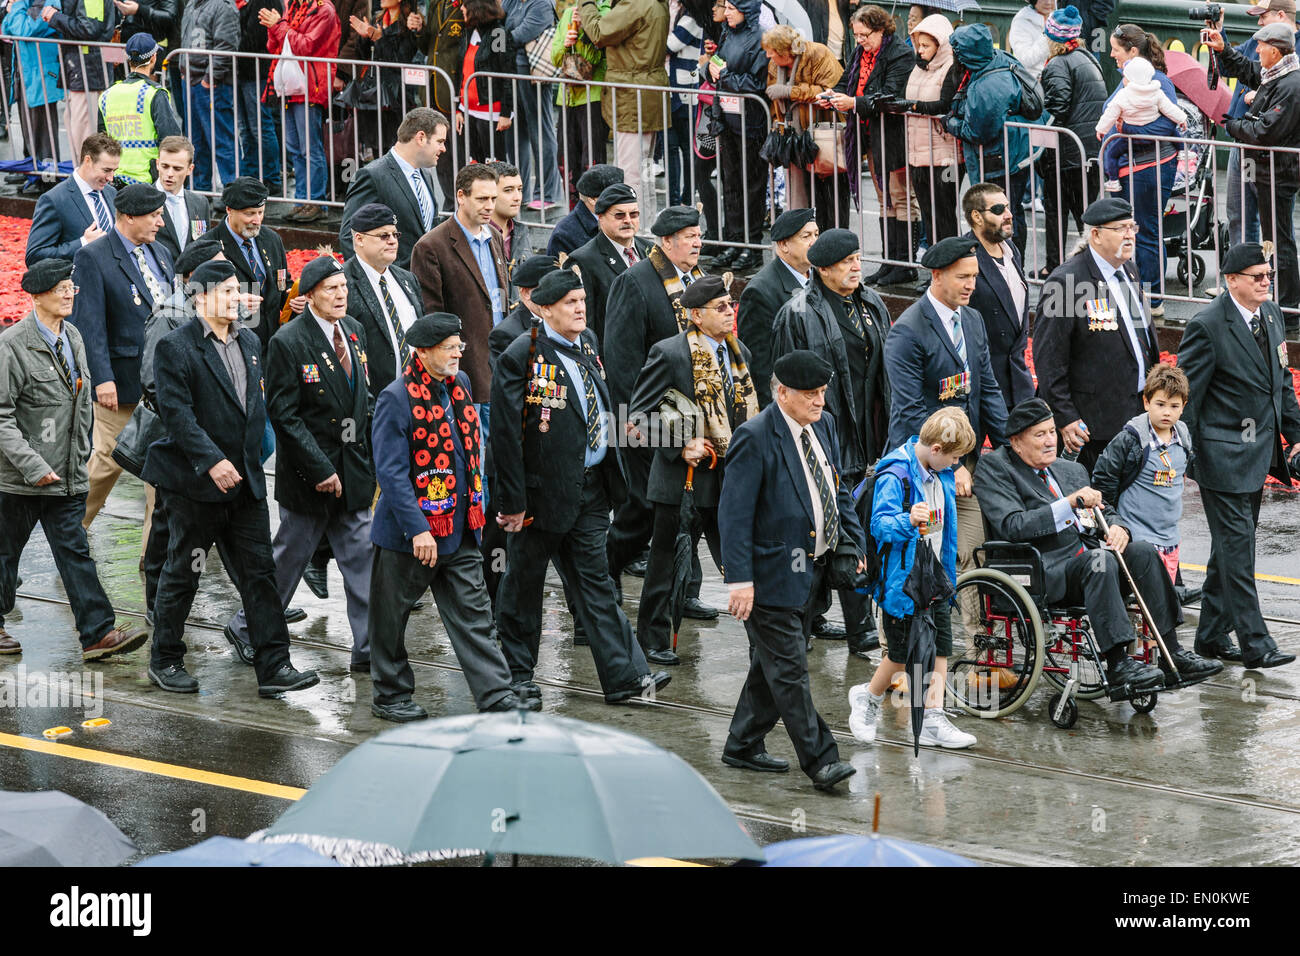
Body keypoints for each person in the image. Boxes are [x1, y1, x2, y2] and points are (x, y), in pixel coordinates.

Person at [491, 267, 673, 704]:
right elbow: (505, 436)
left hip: (590, 490)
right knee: (523, 588)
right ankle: (518, 676)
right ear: (544, 308)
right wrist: (513, 502)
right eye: (569, 303)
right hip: (539, 496)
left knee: (596, 584)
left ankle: (626, 676)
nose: (579, 309)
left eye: (582, 302)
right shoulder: (522, 355)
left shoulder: (587, 343)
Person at [144, 260, 321, 696]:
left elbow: (255, 409)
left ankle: (275, 665)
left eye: (236, 291)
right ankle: (165, 658)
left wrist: (256, 458)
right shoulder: (176, 347)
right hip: (194, 486)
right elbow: (177, 415)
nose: (235, 299)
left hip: (246, 484)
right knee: (184, 572)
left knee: (260, 575)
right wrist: (211, 460)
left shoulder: (251, 342)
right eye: (225, 292)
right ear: (200, 297)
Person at [974, 397, 1223, 688]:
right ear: (1016, 442)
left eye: (1052, 432)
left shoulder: (1069, 470)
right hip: (1041, 569)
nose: (1049, 441)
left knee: (1141, 551)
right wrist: (1068, 504)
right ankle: (1118, 663)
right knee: (1100, 561)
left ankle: (1173, 652)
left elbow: (1105, 509)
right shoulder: (996, 467)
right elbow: (1012, 525)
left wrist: (1119, 528)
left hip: (1085, 565)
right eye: (1039, 435)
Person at [368, 312, 536, 720]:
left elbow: (471, 450)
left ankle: (495, 694)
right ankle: (390, 695)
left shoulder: (458, 385)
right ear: (422, 352)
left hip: (459, 529)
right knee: (391, 618)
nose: (458, 353)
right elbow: (390, 473)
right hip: (412, 536)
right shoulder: (396, 398)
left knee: (475, 615)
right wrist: (418, 529)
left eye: (459, 346)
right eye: (449, 348)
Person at [220, 256, 374, 672]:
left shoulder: (355, 332)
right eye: (331, 289)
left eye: (343, 287)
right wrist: (321, 468)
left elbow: (363, 399)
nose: (341, 295)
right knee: (288, 560)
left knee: (362, 559)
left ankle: (369, 649)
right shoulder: (289, 341)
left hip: (352, 471)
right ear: (309, 295)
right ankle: (248, 627)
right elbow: (284, 415)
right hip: (310, 476)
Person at [719, 349, 861, 792]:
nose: (819, 401)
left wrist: (850, 545)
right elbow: (734, 513)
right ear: (781, 392)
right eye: (809, 394)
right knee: (790, 669)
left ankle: (741, 744)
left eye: (822, 392)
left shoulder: (826, 426)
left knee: (772, 666)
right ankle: (821, 759)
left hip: (812, 572)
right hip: (770, 576)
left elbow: (838, 492)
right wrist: (740, 580)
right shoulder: (755, 436)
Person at [0, 260, 149, 661]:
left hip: (65, 476)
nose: (69, 294)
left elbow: (82, 405)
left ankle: (97, 634)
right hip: (18, 479)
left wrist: (79, 458)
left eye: (71, 287)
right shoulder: (12, 345)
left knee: (75, 552)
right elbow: (1, 417)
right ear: (37, 295)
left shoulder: (74, 337)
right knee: (4, 552)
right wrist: (34, 467)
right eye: (60, 288)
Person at [1178, 242, 1300, 669]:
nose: (1266, 282)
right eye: (1257, 277)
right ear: (1231, 280)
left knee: (1231, 549)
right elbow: (1186, 397)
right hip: (1221, 459)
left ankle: (1211, 635)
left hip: (1258, 453)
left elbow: (1279, 381)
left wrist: (1295, 435)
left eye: (1268, 275)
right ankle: (1256, 642)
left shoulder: (1270, 315)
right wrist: (1181, 452)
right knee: (1238, 551)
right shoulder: (1208, 325)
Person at [629, 274, 760, 664]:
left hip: (729, 480)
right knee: (666, 566)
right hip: (682, 482)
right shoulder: (670, 353)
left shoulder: (741, 355)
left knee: (742, 561)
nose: (729, 312)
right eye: (720, 308)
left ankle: (766, 639)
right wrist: (677, 446)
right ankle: (653, 640)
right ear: (696, 316)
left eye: (730, 305)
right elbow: (635, 418)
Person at [772, 227, 890, 655]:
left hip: (870, 435)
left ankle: (861, 629)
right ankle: (799, 624)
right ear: (822, 269)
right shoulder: (799, 313)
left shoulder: (872, 303)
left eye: (858, 258)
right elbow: (787, 381)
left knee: (859, 534)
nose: (856, 266)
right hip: (825, 436)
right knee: (817, 534)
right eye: (846, 262)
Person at [848, 406, 978, 748]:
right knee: (901, 652)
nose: (956, 465)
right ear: (935, 450)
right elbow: (880, 527)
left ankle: (934, 716)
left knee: (941, 646)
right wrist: (907, 519)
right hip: (902, 581)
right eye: (954, 458)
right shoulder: (895, 475)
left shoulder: (942, 472)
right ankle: (869, 697)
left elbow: (944, 528)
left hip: (934, 574)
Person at [603, 205, 707, 589]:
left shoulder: (699, 279)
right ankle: (604, 570)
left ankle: (684, 590)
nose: (698, 242)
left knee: (690, 510)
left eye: (699, 235)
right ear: (666, 242)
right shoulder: (636, 282)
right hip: (646, 419)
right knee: (645, 509)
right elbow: (622, 359)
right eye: (689, 236)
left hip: (692, 417)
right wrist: (637, 421)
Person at [69, 183, 174, 544]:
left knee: (160, 470)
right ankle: (70, 532)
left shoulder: (161, 252)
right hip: (121, 382)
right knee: (108, 462)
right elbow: (89, 325)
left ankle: (154, 553)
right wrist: (102, 379)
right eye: (154, 215)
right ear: (129, 217)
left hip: (164, 382)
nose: (160, 222)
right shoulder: (94, 257)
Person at [1033, 197, 1159, 471]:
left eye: (1132, 227)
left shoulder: (1129, 271)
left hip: (1135, 415)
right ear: (1096, 234)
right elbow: (1049, 359)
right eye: (1120, 228)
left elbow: (1140, 338)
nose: (1129, 235)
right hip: (1092, 426)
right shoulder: (1067, 282)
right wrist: (1065, 417)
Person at [411, 163, 508, 493]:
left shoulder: (495, 236)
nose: (489, 206)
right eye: (482, 198)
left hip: (500, 371)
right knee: (472, 467)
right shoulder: (431, 246)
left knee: (501, 465)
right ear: (460, 196)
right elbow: (432, 318)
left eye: (493, 199)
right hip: (465, 376)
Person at [1211, 22, 1300, 324]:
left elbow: (1264, 132)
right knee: (1274, 237)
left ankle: (1287, 310)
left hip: (1277, 173)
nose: (1257, 49)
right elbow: (1248, 70)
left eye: (1262, 46)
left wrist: (1234, 125)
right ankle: (1282, 303)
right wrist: (1223, 49)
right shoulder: (1278, 73)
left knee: (1279, 239)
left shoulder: (1290, 85)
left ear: (1275, 51)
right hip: (1268, 170)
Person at [827, 5, 915, 284]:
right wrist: (832, 95)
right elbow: (845, 82)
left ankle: (905, 263)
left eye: (865, 35)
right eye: (857, 35)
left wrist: (854, 103)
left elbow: (889, 94)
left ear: (880, 30)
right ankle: (889, 261)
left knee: (900, 197)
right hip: (868, 134)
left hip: (893, 133)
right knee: (883, 198)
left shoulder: (899, 53)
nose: (860, 40)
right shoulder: (860, 52)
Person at [1092, 363, 1194, 586]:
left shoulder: (1183, 437)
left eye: (1174, 406)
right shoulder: (1131, 440)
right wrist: (1114, 522)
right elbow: (1104, 480)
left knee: (1164, 604)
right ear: (1146, 402)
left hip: (1169, 538)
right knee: (1144, 601)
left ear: (1183, 406)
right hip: (1138, 538)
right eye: (1160, 404)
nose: (1167, 412)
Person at [1105, 26, 1180, 316]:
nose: (1111, 54)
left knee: (1146, 230)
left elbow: (1170, 127)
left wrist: (1129, 128)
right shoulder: (1128, 78)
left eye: (1116, 49)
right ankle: (1139, 292)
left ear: (1133, 52)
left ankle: (1154, 298)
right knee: (1130, 230)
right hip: (1130, 166)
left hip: (1150, 167)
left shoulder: (1160, 82)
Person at [578, 0, 670, 230]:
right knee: (644, 170)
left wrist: (586, 3)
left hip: (632, 95)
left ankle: (634, 234)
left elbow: (599, 32)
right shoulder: (654, 4)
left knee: (631, 173)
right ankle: (646, 228)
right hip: (644, 91)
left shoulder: (636, 4)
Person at [1215, 0, 1300, 249]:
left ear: (1282, 15)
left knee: (1273, 230)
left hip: (1271, 156)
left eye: (1263, 17)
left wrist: (1262, 95)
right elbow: (1232, 66)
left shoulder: (1289, 56)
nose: (1258, 22)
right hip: (1244, 145)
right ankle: (1243, 281)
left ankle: (1269, 283)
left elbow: (1282, 103)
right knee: (1239, 216)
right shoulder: (1257, 41)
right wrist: (1220, 36)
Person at [944, 23, 1033, 252]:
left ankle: (1008, 263)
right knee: (1012, 210)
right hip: (1010, 154)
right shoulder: (998, 58)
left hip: (998, 160)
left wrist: (950, 123)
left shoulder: (988, 86)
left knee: (1001, 215)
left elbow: (977, 132)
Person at [1038, 5, 1106, 276]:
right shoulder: (1088, 57)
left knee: (1055, 211)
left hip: (1066, 152)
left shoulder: (1057, 64)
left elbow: (1057, 109)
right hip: (1089, 151)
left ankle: (1054, 266)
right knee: (1086, 216)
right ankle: (1093, 266)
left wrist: (1042, 150)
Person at [338, 108, 450, 270]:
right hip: (390, 286)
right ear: (420, 137)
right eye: (440, 141)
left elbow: (425, 230)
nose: (443, 148)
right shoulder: (372, 175)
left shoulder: (426, 175)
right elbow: (349, 236)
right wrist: (373, 283)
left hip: (425, 282)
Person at [762, 24, 848, 235]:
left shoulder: (817, 53)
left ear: (784, 52)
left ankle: (835, 242)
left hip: (823, 131)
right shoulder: (775, 66)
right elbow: (774, 97)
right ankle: (808, 243)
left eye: (771, 52)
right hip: (794, 133)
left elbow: (831, 89)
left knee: (831, 192)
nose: (767, 56)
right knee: (802, 195)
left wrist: (792, 91)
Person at [264, 0, 342, 223]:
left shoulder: (324, 9)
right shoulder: (294, 7)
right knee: (296, 149)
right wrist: (274, 28)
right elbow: (275, 46)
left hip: (310, 85)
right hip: (293, 85)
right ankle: (301, 201)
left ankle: (315, 202)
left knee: (309, 148)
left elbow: (306, 46)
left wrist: (277, 26)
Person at [961, 183, 1034, 413]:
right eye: (998, 209)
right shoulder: (963, 255)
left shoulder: (1012, 250)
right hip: (983, 384)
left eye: (1008, 208)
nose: (1009, 215)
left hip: (1018, 380)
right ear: (977, 217)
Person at [891, 13, 962, 248]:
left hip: (945, 156)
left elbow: (945, 104)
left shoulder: (952, 66)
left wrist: (912, 106)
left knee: (944, 214)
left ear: (940, 44)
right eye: (918, 44)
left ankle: (950, 264)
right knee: (928, 214)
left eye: (926, 45)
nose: (920, 50)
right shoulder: (917, 68)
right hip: (918, 153)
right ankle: (935, 270)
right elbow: (905, 95)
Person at [737, 207, 818, 408]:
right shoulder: (760, 292)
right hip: (789, 402)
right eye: (806, 236)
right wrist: (771, 414)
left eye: (817, 234)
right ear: (783, 245)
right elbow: (759, 366)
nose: (815, 242)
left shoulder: (818, 278)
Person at [708, 0, 768, 267]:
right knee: (730, 183)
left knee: (752, 185)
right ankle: (734, 240)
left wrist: (724, 76)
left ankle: (752, 245)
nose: (726, 12)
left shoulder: (760, 39)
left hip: (751, 122)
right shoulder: (727, 33)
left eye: (732, 7)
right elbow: (718, 71)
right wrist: (711, 70)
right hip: (727, 119)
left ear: (747, 9)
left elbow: (759, 83)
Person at [343, 203, 425, 395]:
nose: (392, 241)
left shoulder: (407, 279)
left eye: (395, 235)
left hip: (419, 392)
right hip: (374, 397)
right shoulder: (342, 282)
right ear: (359, 239)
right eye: (383, 236)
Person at [568, 182, 655, 345]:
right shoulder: (583, 260)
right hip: (615, 354)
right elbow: (586, 323)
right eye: (619, 215)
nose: (628, 220)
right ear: (600, 217)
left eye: (634, 214)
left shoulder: (651, 250)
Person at [217, 178, 293, 353]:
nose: (257, 220)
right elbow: (199, 302)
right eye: (250, 213)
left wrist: (293, 299)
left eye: (260, 212)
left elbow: (282, 284)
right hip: (233, 349)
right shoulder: (212, 247)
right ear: (229, 210)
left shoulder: (272, 240)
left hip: (273, 348)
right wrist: (235, 303)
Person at [96, 32, 182, 186]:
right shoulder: (155, 93)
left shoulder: (107, 95)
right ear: (154, 58)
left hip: (114, 180)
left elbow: (102, 140)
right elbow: (171, 139)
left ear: (128, 59)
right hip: (147, 181)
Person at [502, 0, 562, 212]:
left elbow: (519, 35)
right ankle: (522, 190)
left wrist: (497, 41)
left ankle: (547, 193)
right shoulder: (513, 1)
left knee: (541, 131)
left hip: (534, 75)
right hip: (511, 72)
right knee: (515, 134)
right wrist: (499, 39)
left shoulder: (542, 4)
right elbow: (499, 26)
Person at [1095, 57, 1188, 194]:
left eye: (1125, 77)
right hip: (1151, 132)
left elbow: (1110, 113)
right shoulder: (1156, 92)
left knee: (1111, 154)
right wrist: (1182, 118)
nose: (1123, 80)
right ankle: (1182, 151)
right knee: (1173, 131)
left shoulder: (1123, 95)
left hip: (1129, 136)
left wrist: (1101, 129)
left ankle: (1113, 180)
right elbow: (1169, 109)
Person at [343, 0, 422, 158]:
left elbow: (400, 60)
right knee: (378, 148)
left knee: (396, 149)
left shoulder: (410, 22)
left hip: (396, 96)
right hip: (374, 92)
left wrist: (379, 38)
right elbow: (363, 53)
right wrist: (364, 38)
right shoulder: (377, 19)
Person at [25, 133, 119, 266]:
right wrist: (83, 243)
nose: (111, 178)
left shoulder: (111, 193)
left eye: (114, 170)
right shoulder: (54, 200)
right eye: (106, 170)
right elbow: (34, 256)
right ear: (88, 161)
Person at [177, 0, 239, 194]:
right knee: (196, 141)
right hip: (192, 80)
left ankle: (233, 190)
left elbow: (226, 46)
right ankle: (200, 188)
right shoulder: (192, 5)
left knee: (221, 139)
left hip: (212, 84)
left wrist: (210, 78)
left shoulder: (223, 7)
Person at [41, 0, 116, 158]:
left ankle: (86, 177)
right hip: (82, 66)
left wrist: (56, 17)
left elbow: (89, 28)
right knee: (76, 124)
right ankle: (84, 175)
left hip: (88, 68)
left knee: (83, 131)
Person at [552, 1, 610, 207]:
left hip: (592, 96)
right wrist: (567, 42)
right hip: (567, 96)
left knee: (591, 159)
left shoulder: (604, 12)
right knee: (566, 159)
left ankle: (594, 210)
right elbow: (554, 56)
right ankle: (573, 211)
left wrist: (585, 33)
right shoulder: (568, 13)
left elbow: (598, 56)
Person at [3, 0, 64, 191]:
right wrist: (18, 13)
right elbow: (6, 28)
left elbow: (23, 29)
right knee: (29, 127)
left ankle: (46, 178)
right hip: (27, 73)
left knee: (43, 130)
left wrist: (16, 8)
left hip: (41, 73)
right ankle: (32, 171)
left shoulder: (47, 2)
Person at [455, 0, 516, 165]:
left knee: (494, 167)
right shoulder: (468, 32)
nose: (461, 8)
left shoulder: (498, 33)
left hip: (491, 112)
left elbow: (507, 74)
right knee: (474, 166)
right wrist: (457, 109)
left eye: (465, 4)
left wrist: (505, 112)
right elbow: (460, 71)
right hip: (467, 110)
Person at [236, 0, 284, 197]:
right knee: (247, 129)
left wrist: (236, 48)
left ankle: (272, 177)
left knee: (260, 128)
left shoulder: (265, 1)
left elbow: (257, 38)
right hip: (244, 70)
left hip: (258, 71)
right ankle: (251, 175)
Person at [152, 136, 211, 263]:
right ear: (157, 164)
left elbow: (204, 245)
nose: (169, 173)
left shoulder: (200, 203)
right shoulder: (144, 199)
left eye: (177, 168)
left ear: (190, 169)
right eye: (165, 166)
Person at [547, 163, 623, 258]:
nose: (622, 201)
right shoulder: (564, 235)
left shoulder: (620, 218)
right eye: (614, 197)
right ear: (593, 200)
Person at [487, 160, 533, 305]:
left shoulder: (522, 232)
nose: (517, 197)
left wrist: (532, 329)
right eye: (508, 190)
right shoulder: (477, 234)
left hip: (525, 325)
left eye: (519, 189)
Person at [1007, 0, 1053, 83]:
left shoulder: (1056, 17)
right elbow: (1025, 59)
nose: (1048, 2)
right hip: (1032, 84)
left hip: (1056, 79)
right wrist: (1047, 36)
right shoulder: (1021, 21)